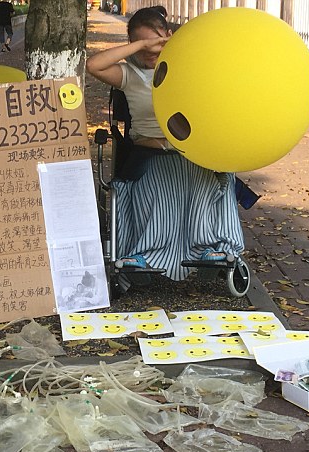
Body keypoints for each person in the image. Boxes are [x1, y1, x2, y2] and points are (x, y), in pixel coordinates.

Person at [86, 7, 244, 287]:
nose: (150, 51)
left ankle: (211, 247)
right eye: (142, 45)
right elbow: (94, 65)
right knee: (156, 181)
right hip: (149, 153)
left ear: (169, 36)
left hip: (191, 152)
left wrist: (175, 47)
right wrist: (141, 45)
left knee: (212, 176)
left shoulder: (191, 69)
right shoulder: (130, 74)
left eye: (156, 42)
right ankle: (146, 252)